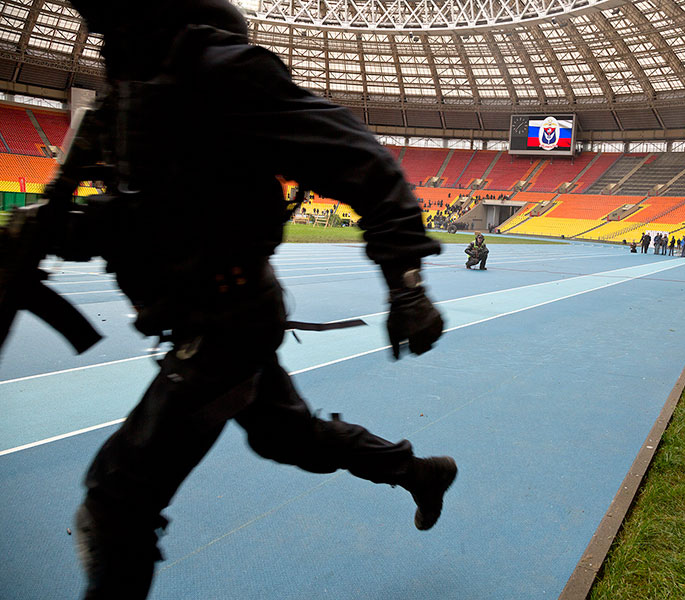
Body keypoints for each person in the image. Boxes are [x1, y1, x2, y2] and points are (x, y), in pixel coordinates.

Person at [61, 2, 457, 598]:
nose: (96, 37)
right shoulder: (125, 97)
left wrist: (407, 286)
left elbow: (365, 161)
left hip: (228, 322)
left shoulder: (221, 71)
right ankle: (419, 473)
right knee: (285, 436)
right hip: (204, 315)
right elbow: (144, 209)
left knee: (117, 502)